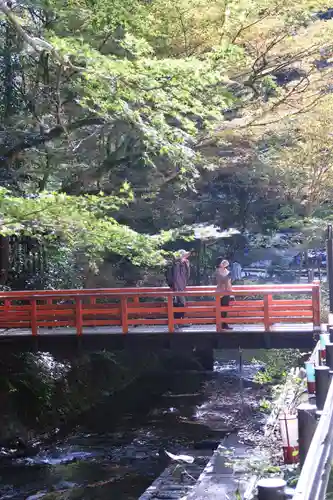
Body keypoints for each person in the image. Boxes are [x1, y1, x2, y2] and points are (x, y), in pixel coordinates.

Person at [166, 250, 191, 329]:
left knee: (181, 305)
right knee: (179, 304)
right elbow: (176, 277)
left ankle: (179, 322)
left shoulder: (184, 264)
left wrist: (187, 265)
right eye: (184, 255)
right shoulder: (176, 264)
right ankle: (176, 323)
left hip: (182, 287)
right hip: (177, 288)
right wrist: (176, 289)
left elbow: (187, 276)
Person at [216, 257, 232, 330]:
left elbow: (229, 282)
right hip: (219, 291)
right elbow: (219, 280)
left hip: (227, 291)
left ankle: (225, 324)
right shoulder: (217, 271)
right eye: (222, 263)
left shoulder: (227, 271)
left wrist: (231, 292)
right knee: (220, 309)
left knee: (225, 309)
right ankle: (220, 324)